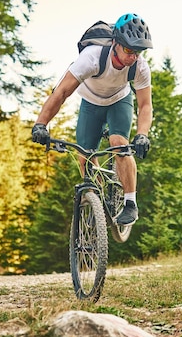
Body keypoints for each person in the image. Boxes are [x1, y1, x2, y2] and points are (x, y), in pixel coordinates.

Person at [31, 13, 153, 226]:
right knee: (84, 156)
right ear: (116, 43)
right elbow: (61, 93)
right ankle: (97, 200)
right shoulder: (92, 57)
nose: (133, 56)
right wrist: (41, 124)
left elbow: (145, 105)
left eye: (138, 52)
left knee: (119, 144)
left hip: (119, 101)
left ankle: (130, 203)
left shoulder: (140, 67)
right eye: (129, 50)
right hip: (90, 103)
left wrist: (142, 135)